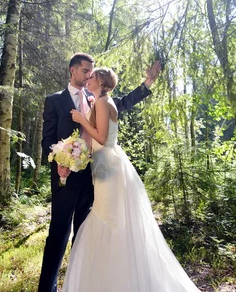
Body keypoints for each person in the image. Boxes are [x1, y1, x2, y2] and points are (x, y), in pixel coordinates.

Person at [62, 67, 200, 292]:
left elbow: (103, 138)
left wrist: (81, 120)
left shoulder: (102, 102)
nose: (88, 78)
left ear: (102, 81)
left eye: (92, 76)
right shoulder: (103, 100)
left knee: (108, 219)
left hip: (108, 168)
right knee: (110, 219)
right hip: (105, 165)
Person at [37, 53, 161, 292]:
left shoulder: (96, 99)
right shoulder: (54, 101)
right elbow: (47, 140)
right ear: (72, 70)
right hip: (65, 176)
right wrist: (56, 163)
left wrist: (147, 85)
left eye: (91, 72)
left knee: (85, 236)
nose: (88, 76)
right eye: (85, 71)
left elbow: (121, 103)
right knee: (58, 234)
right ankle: (47, 289)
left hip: (95, 177)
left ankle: (81, 284)